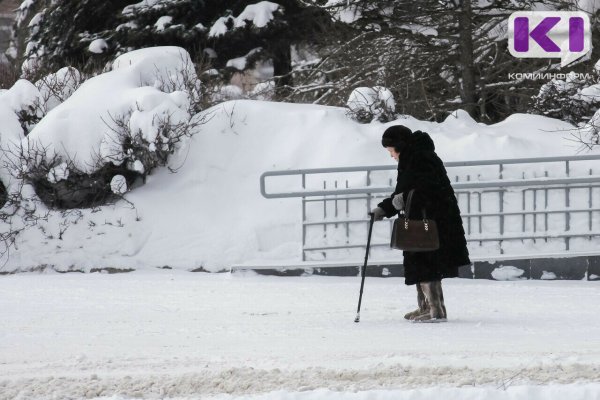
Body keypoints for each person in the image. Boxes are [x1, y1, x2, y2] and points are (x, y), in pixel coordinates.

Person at [371, 125, 470, 323]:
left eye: (391, 151)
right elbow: (407, 192)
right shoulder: (415, 156)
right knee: (422, 261)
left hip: (431, 220)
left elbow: (421, 191)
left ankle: (435, 310)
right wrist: (386, 208)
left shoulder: (419, 158)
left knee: (426, 261)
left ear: (399, 146)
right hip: (428, 218)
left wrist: (391, 205)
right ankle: (426, 306)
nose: (391, 155)